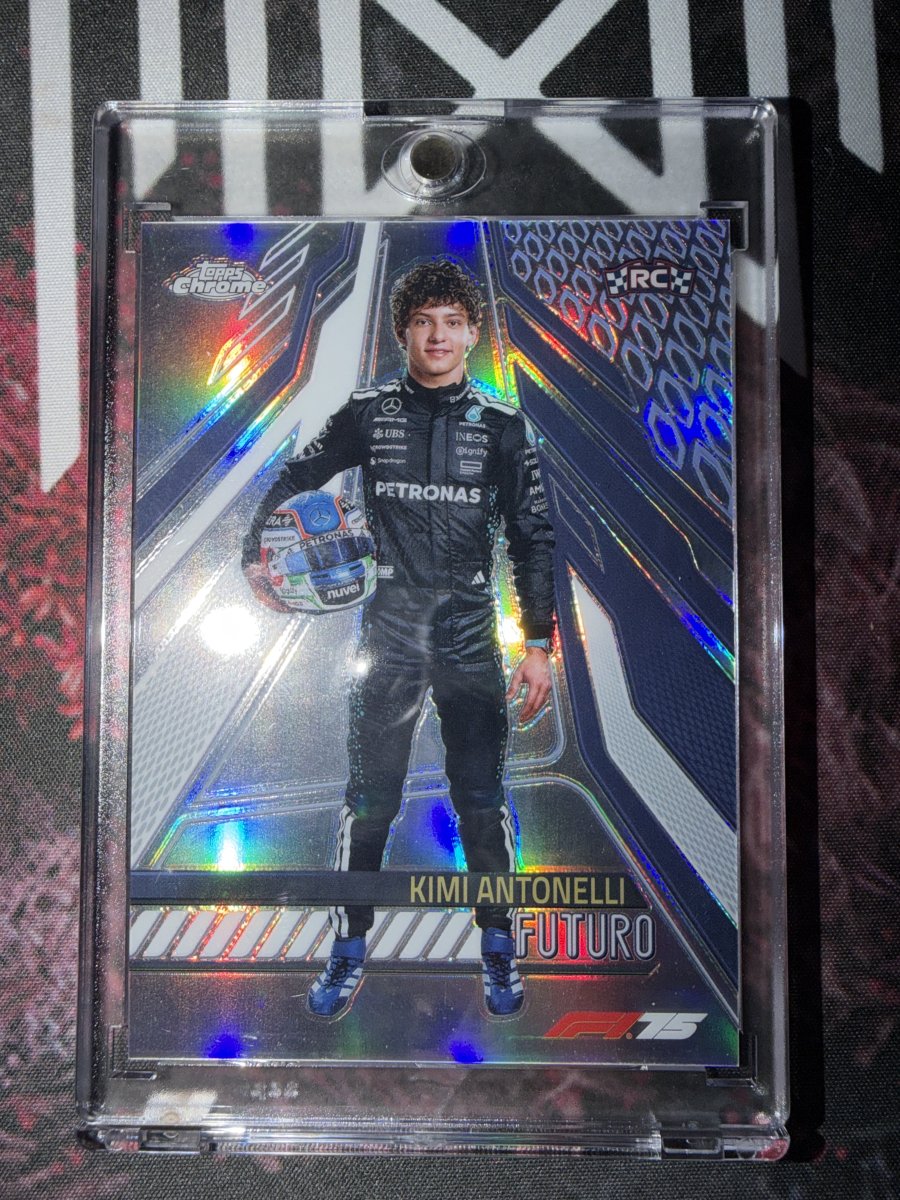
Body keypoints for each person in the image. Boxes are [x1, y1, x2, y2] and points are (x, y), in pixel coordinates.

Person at [242, 259, 555, 1018]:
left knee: (480, 800)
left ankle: (499, 947)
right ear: (403, 334)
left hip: (470, 637)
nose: (437, 335)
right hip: (387, 635)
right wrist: (256, 554)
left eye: (452, 322)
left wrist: (539, 644)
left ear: (472, 335)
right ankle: (348, 950)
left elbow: (533, 539)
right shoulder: (367, 414)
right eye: (423, 322)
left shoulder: (504, 427)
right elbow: (297, 476)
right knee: (369, 801)